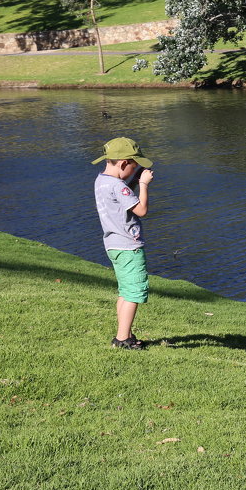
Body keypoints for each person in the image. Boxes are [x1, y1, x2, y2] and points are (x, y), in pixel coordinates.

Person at [92, 137, 155, 350]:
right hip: (129, 247)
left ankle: (125, 334)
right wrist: (144, 185)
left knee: (125, 291)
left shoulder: (102, 181)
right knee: (134, 292)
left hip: (113, 244)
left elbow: (120, 194)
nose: (135, 169)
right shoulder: (118, 186)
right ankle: (122, 340)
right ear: (124, 164)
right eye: (134, 166)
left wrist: (133, 181)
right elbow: (141, 210)